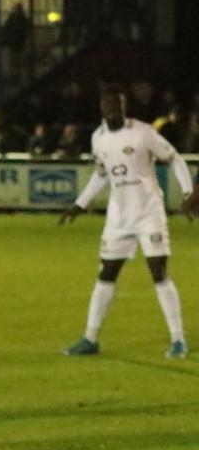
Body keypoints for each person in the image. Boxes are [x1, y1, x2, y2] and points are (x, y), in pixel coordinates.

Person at [59, 86, 194, 359]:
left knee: (159, 272)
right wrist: (80, 203)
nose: (111, 109)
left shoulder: (142, 132)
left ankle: (178, 339)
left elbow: (174, 158)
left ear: (124, 106)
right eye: (107, 104)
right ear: (101, 108)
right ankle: (90, 338)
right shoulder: (98, 138)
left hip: (149, 213)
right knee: (106, 273)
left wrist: (188, 191)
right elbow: (101, 174)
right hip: (118, 217)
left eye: (116, 104)